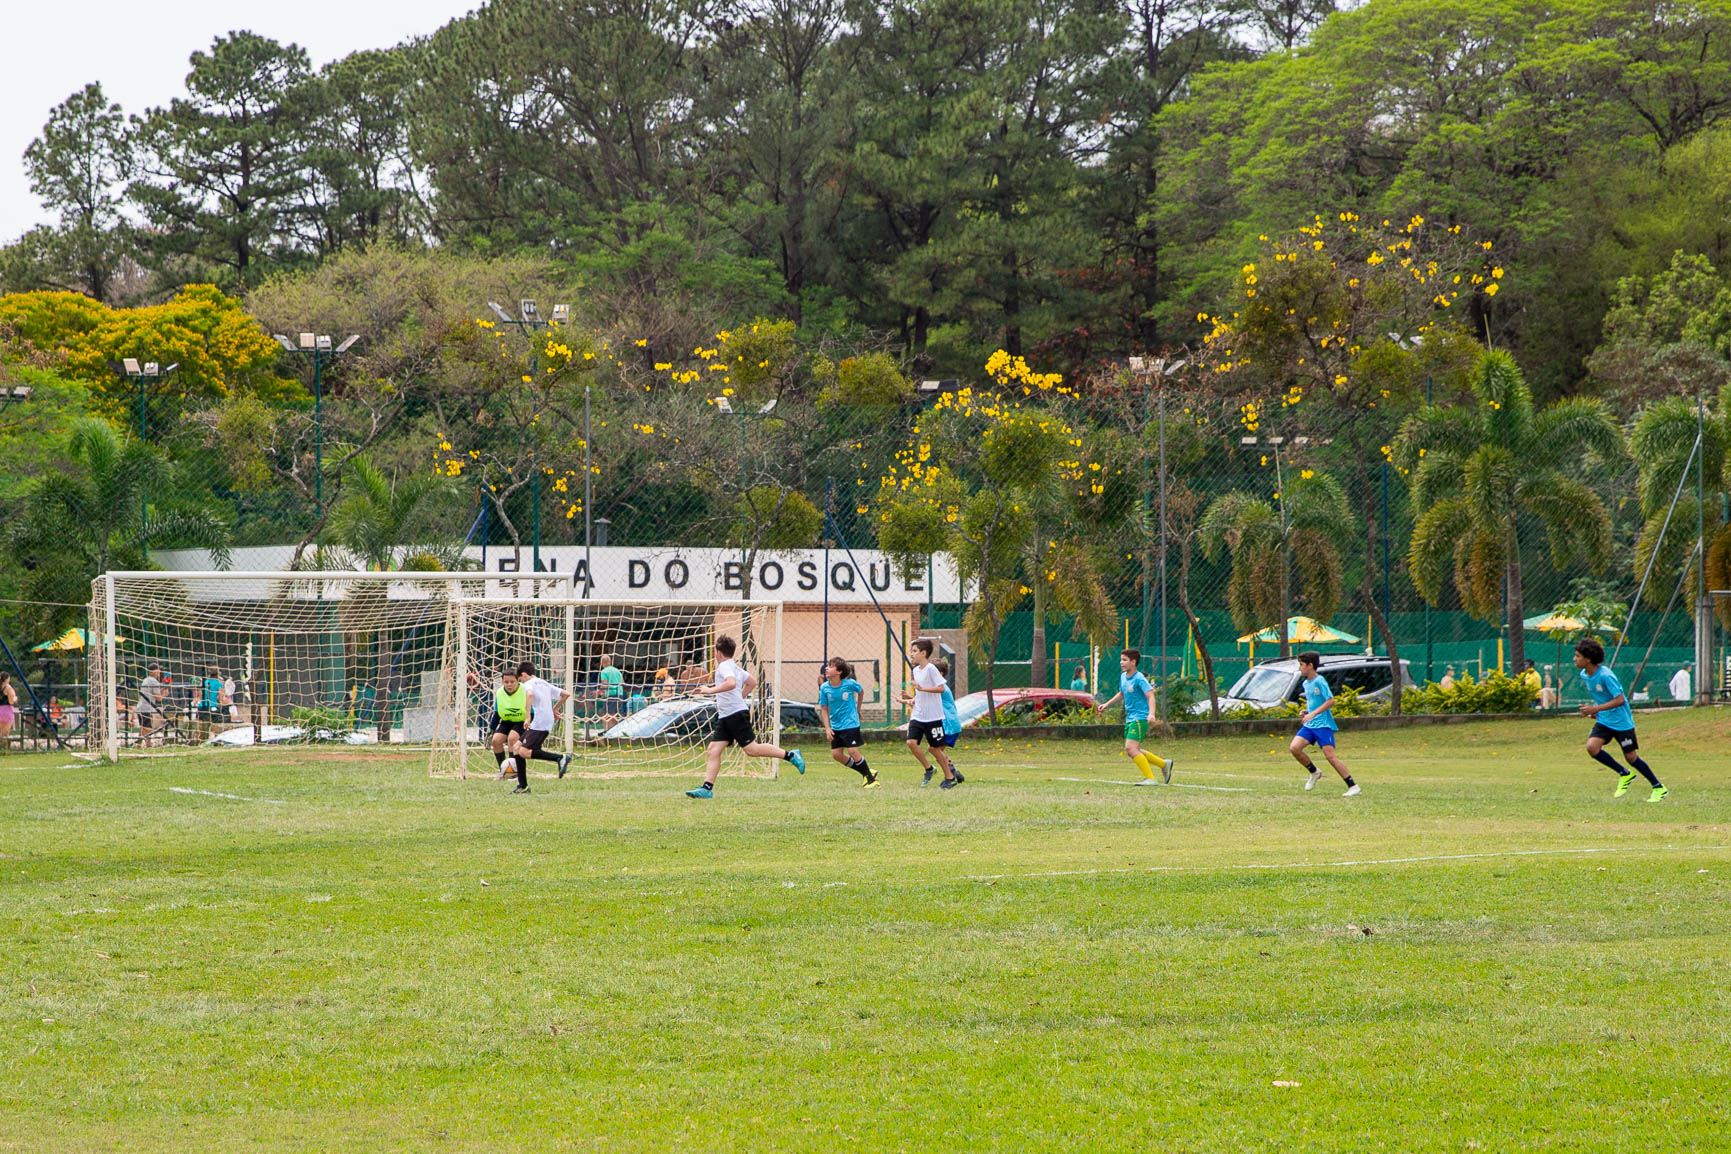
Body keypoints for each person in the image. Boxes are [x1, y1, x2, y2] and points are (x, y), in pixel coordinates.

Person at [684, 635, 805, 798]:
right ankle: (706, 789)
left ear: (718, 653)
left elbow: (731, 683)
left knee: (752, 749)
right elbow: (752, 682)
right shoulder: (734, 667)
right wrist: (738, 697)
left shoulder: (724, 667)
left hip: (734, 715)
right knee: (713, 749)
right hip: (727, 715)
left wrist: (709, 690)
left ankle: (790, 755)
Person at [1575, 638, 1667, 802]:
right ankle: (1624, 774)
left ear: (1588, 659)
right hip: (1604, 720)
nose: (1574, 659)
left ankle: (1659, 787)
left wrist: (1596, 709)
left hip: (1621, 722)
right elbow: (1601, 696)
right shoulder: (1584, 675)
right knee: (1592, 747)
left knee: (1631, 757)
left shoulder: (1606, 676)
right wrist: (1595, 711)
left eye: (1577, 656)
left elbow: (1620, 700)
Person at [1096, 648, 1172, 785]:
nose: (1121, 662)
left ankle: (1150, 778)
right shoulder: (1123, 677)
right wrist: (1106, 704)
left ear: (1133, 662)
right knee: (1135, 749)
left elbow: (1150, 696)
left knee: (1130, 748)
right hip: (1130, 718)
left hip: (1140, 718)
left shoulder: (1139, 678)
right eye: (1121, 660)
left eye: (1124, 660)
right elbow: (1121, 693)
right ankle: (1163, 764)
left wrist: (1151, 714)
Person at [1290, 651, 1360, 796]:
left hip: (1323, 724)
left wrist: (1313, 714)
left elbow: (1330, 701)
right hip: (1310, 724)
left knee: (1330, 757)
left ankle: (1353, 786)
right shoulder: (1306, 683)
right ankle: (1314, 772)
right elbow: (1315, 703)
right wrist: (1307, 712)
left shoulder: (1320, 681)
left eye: (1302, 665)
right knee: (1295, 748)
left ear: (1310, 665)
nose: (1300, 668)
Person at [899, 638, 959, 789]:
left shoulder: (931, 669)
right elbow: (920, 693)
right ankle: (929, 768)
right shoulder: (915, 670)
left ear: (923, 653)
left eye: (914, 651)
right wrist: (911, 699)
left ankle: (950, 777)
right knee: (911, 742)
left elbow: (940, 688)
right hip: (918, 715)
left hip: (933, 717)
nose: (911, 654)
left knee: (935, 749)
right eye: (911, 651)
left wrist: (922, 689)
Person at [508, 660, 574, 791]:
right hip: (544, 720)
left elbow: (530, 694)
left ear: (524, 675)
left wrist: (527, 716)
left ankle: (560, 758)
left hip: (540, 722)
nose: (521, 682)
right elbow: (566, 694)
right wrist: (554, 709)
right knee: (516, 747)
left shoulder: (528, 684)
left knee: (524, 752)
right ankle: (523, 786)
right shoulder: (544, 683)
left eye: (520, 679)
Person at [466, 668, 531, 787]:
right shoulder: (500, 692)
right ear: (502, 682)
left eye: (512, 682)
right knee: (496, 740)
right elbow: (496, 713)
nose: (509, 684)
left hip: (521, 721)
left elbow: (532, 711)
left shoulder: (525, 690)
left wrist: (530, 722)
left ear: (518, 681)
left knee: (512, 738)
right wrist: (491, 730)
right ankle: (503, 771)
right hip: (506, 721)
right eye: (506, 682)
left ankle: (515, 773)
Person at [818, 657, 877, 787]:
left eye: (830, 666)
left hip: (851, 722)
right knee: (836, 755)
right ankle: (866, 771)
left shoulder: (849, 684)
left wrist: (858, 709)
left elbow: (861, 691)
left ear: (839, 671)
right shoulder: (824, 688)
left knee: (852, 751)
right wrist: (827, 728)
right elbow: (824, 708)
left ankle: (871, 780)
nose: (826, 668)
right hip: (836, 725)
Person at [935, 658, 963, 774]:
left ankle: (951, 773)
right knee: (936, 751)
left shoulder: (940, 688)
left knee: (935, 750)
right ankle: (952, 772)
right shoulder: (940, 687)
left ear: (940, 674)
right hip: (949, 724)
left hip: (949, 725)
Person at [137, 663, 166, 747]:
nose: (159, 672)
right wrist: (164, 694)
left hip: (141, 707)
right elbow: (158, 698)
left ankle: (141, 744)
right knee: (147, 728)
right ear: (153, 671)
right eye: (158, 670)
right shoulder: (154, 681)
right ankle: (143, 744)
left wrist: (161, 690)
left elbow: (152, 693)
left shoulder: (146, 680)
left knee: (144, 727)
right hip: (146, 708)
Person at [598, 654, 625, 719]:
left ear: (602, 663)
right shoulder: (617, 670)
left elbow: (604, 685)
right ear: (610, 662)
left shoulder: (604, 671)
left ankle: (609, 726)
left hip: (611, 695)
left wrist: (598, 692)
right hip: (620, 695)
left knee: (607, 716)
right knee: (615, 715)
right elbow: (623, 683)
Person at [0, 671, 16, 753]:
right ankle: (3, 749)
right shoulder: (8, 688)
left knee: (1, 731)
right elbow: (11, 701)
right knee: (5, 733)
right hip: (6, 710)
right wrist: (15, 698)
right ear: (7, 679)